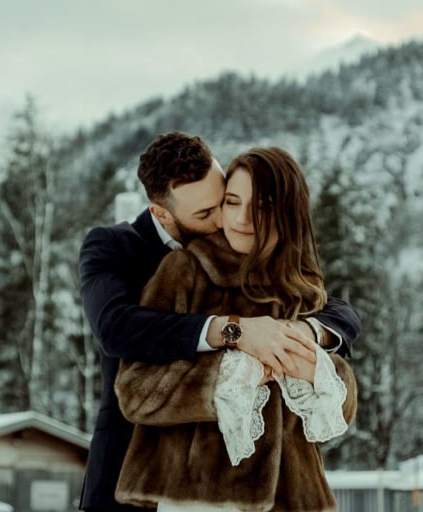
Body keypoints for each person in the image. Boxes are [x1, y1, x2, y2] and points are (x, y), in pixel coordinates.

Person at [78, 133, 360, 511]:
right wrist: (237, 335)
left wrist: (308, 339)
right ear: (162, 212)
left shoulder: (282, 271)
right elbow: (117, 329)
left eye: (223, 199)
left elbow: (336, 311)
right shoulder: (125, 250)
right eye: (207, 213)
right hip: (150, 472)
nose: (225, 221)